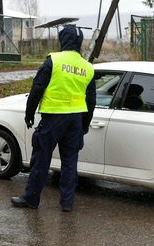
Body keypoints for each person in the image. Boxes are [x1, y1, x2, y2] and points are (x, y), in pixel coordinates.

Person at [11, 25, 96, 212]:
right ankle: (67, 203)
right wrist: (85, 124)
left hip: (53, 119)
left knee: (41, 158)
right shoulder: (87, 67)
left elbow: (37, 88)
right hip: (75, 120)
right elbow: (91, 100)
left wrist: (29, 113)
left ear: (62, 40)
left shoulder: (54, 60)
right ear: (80, 43)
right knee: (70, 162)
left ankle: (31, 199)